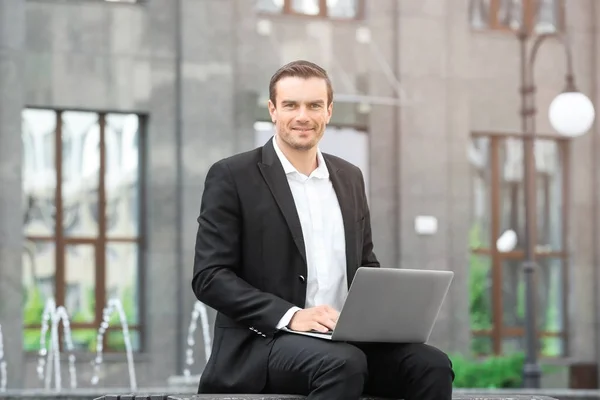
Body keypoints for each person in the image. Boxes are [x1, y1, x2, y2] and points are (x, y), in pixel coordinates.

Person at [191, 60, 454, 400]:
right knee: (343, 364)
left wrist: (381, 313)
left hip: (345, 340)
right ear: (273, 110)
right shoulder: (232, 176)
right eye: (291, 105)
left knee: (430, 364)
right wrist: (291, 316)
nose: (303, 116)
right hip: (265, 342)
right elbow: (209, 277)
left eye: (314, 105)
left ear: (329, 111)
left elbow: (364, 263)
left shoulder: (349, 177)